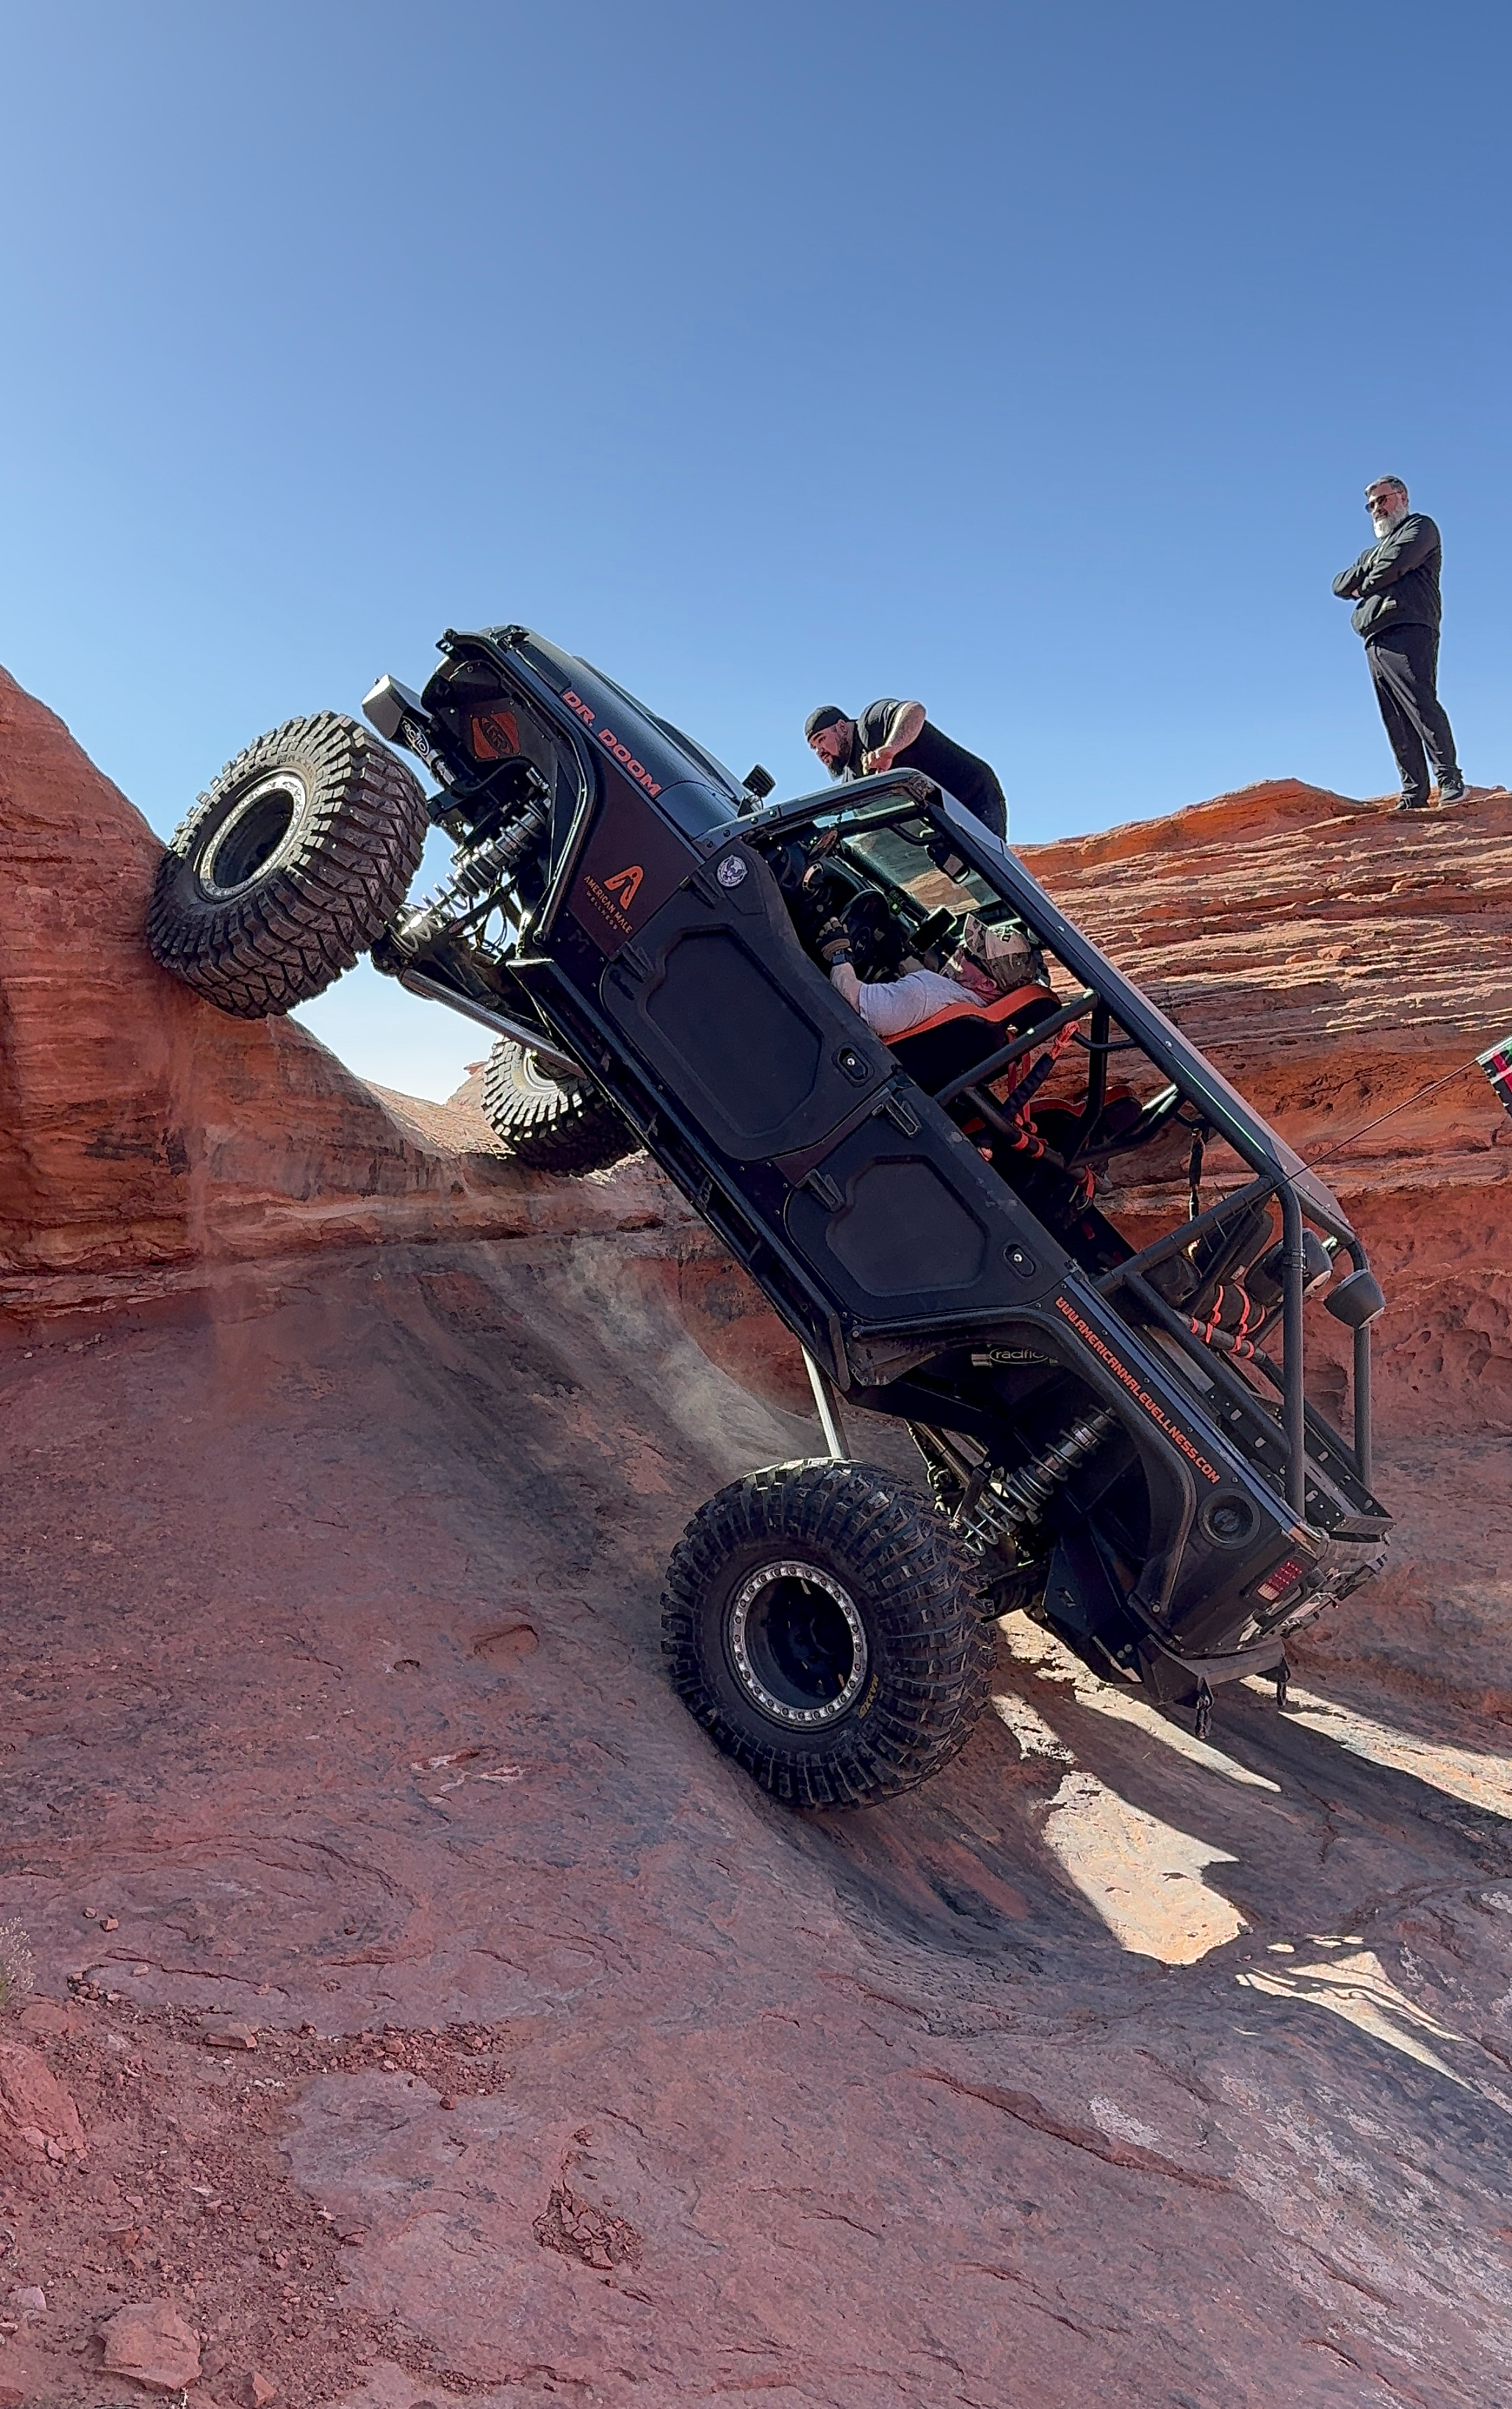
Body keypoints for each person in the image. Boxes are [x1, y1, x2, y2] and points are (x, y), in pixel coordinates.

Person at [1332, 477, 1466, 810]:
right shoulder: (1372, 551)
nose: (1378, 509)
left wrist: (1363, 586)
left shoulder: (1420, 527)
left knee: (1420, 701)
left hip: (1411, 626)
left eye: (1383, 500)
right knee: (1394, 717)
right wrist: (1368, 569)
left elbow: (1397, 563)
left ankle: (1450, 781)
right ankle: (1413, 793)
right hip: (1375, 638)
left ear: (1402, 497)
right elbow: (1338, 584)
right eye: (1372, 505)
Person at [804, 700, 1007, 838]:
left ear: (841, 727)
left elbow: (915, 710)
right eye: (813, 748)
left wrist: (890, 749)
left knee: (995, 875)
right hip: (943, 823)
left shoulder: (870, 724)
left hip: (974, 797)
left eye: (821, 739)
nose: (819, 751)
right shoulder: (850, 782)